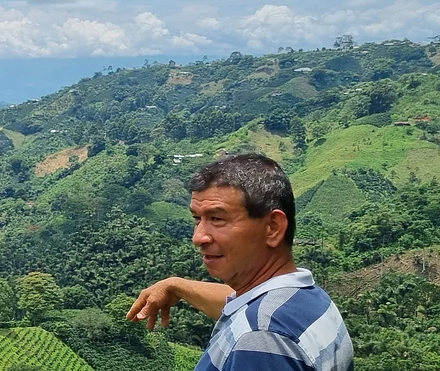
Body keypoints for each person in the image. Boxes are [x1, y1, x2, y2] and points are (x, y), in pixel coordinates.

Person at [127, 153, 353, 371]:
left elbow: (256, 324)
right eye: (197, 219)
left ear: (273, 227)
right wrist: (176, 285)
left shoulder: (260, 340)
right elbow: (239, 305)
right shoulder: (305, 298)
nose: (198, 237)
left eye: (217, 219)